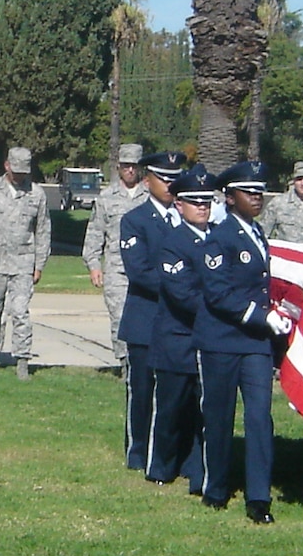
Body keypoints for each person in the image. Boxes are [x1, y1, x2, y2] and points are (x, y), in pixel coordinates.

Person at [194, 161, 292, 523]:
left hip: (254, 344)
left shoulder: (256, 233)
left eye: (260, 191)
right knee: (219, 417)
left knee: (259, 418)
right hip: (221, 340)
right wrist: (259, 315)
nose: (257, 198)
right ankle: (216, 488)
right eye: (248, 192)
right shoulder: (219, 237)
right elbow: (218, 293)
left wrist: (273, 314)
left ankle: (258, 497)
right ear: (230, 198)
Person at [117, 150, 188, 471]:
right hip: (146, 318)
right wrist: (185, 287)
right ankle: (137, 449)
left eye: (176, 179)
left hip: (180, 322)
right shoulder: (135, 220)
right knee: (142, 390)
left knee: (176, 393)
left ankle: (172, 450)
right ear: (147, 182)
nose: (171, 185)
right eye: (164, 179)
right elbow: (141, 272)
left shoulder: (191, 218)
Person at [146, 164, 215, 492]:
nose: (202, 207)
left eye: (206, 201)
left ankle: (194, 467)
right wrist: (224, 305)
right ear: (179, 205)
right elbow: (181, 292)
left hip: (208, 341)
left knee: (202, 412)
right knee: (171, 410)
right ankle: (161, 465)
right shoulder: (172, 242)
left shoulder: (218, 240)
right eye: (195, 201)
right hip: (177, 339)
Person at [0, 146, 52, 380]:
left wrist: (39, 264)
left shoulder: (36, 194)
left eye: (24, 172)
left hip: (22, 263)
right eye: (16, 171)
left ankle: (22, 359)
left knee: (20, 312)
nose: (20, 176)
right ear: (7, 166)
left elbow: (43, 231)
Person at [83, 143, 148, 365]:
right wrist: (93, 264)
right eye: (126, 166)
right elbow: (94, 232)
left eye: (135, 166)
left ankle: (143, 363)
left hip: (146, 268)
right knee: (119, 317)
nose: (130, 170)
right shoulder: (107, 197)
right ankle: (124, 362)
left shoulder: (152, 196)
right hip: (116, 269)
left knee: (145, 318)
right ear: (119, 167)